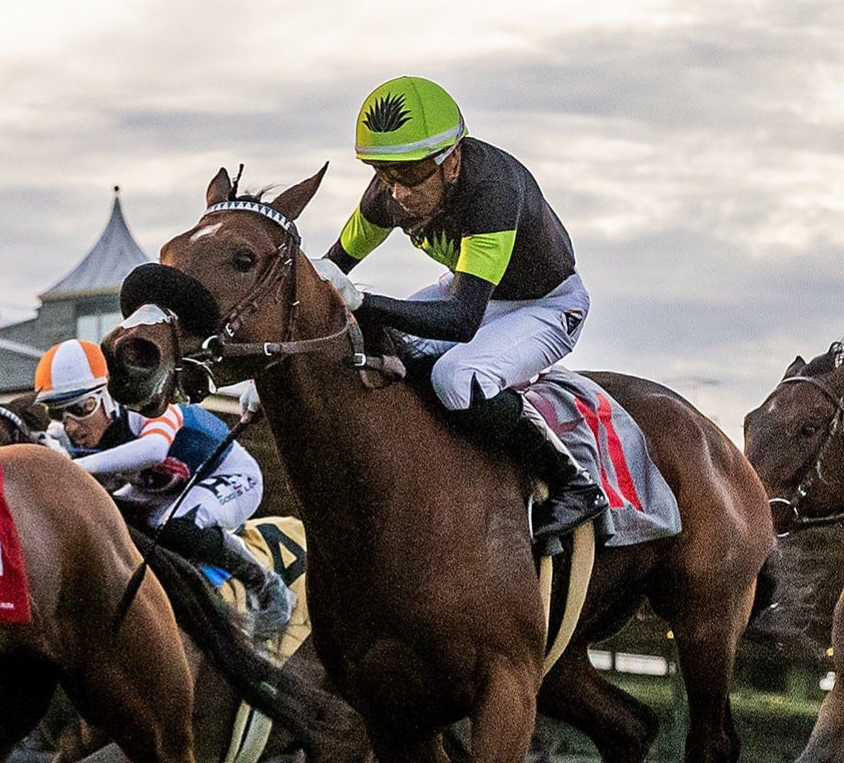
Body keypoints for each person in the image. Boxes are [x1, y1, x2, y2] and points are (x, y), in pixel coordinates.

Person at [316, 76, 608, 543]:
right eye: (384, 172)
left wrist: (365, 302)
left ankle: (574, 482)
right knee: (375, 336)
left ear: (451, 162)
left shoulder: (493, 189)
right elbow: (329, 273)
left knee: (455, 378)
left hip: (547, 307)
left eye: (411, 173)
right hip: (474, 291)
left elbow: (461, 320)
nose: (398, 193)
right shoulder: (387, 195)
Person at [33, 339, 293, 638]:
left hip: (227, 473)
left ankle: (266, 584)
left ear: (108, 395)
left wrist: (72, 467)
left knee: (174, 527)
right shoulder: (65, 435)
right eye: (57, 413)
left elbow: (155, 449)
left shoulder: (148, 405)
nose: (71, 426)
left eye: (81, 407)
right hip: (167, 488)